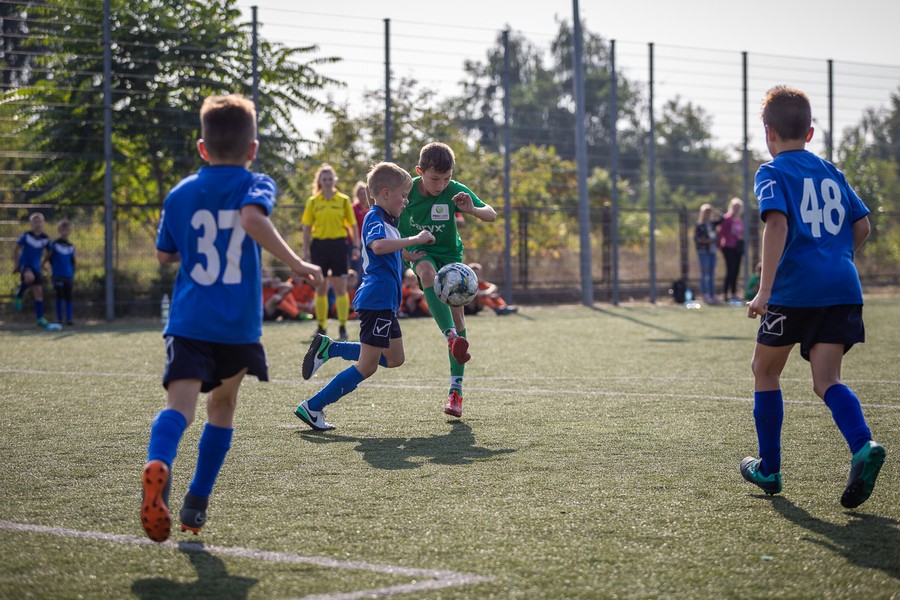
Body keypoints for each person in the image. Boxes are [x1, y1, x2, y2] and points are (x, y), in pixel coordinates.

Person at [141, 94, 323, 544]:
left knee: (179, 409)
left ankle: (159, 461)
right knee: (221, 406)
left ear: (203, 148)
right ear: (252, 148)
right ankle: (196, 503)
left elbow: (164, 255)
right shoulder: (254, 183)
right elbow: (252, 221)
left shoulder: (180, 192)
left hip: (188, 319)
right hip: (236, 325)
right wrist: (298, 263)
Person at [740, 85, 884, 509]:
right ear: (810, 132)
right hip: (842, 288)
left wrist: (763, 290)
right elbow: (862, 227)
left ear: (768, 132)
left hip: (794, 291)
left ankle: (769, 467)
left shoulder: (771, 172)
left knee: (764, 370)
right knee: (827, 381)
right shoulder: (831, 172)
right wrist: (833, 259)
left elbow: (778, 225)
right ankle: (863, 446)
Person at [294, 162, 434, 430]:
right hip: (377, 300)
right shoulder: (375, 217)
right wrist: (413, 239)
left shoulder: (388, 222)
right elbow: (378, 247)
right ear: (384, 193)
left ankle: (331, 348)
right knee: (367, 366)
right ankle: (313, 406)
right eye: (403, 195)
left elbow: (385, 248)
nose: (406, 201)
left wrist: (406, 255)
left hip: (386, 303)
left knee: (395, 358)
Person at [397, 142, 497, 418]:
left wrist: (472, 209)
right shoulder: (405, 189)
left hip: (452, 258)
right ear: (420, 171)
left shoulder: (454, 190)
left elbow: (491, 213)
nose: (441, 185)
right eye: (434, 179)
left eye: (446, 178)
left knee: (460, 318)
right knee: (427, 272)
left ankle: (456, 392)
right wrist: (402, 249)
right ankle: (450, 336)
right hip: (420, 252)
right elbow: (385, 219)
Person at [301, 164, 359, 341]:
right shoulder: (313, 201)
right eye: (323, 179)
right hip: (319, 246)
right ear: (319, 181)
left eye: (329, 179)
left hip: (338, 246)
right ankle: (321, 326)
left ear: (334, 180)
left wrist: (356, 246)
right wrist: (305, 251)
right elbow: (307, 227)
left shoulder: (343, 200)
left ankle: (342, 327)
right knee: (320, 288)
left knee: (341, 288)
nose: (327, 182)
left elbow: (353, 225)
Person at [12, 212, 51, 327]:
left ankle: (40, 319)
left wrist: (43, 263)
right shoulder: (26, 235)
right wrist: (16, 264)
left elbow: (50, 251)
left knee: (39, 293)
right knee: (29, 277)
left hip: (36, 267)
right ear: (30, 223)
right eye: (35, 221)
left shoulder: (45, 238)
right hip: (25, 264)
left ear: (43, 223)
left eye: (39, 221)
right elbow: (16, 249)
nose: (37, 223)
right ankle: (19, 295)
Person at [45, 219, 77, 325]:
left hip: (69, 275)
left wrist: (73, 275)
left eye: (67, 229)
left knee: (68, 297)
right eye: (63, 229)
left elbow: (73, 262)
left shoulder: (71, 246)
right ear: (59, 230)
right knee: (59, 295)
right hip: (58, 275)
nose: (65, 232)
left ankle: (69, 319)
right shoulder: (53, 244)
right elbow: (48, 257)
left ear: (69, 231)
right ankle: (59, 318)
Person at [694, 204, 722, 305]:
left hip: (712, 251)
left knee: (711, 274)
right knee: (704, 273)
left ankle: (712, 294)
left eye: (709, 212)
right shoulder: (699, 225)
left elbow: (722, 218)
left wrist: (714, 210)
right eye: (706, 212)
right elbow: (698, 239)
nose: (708, 214)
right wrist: (709, 241)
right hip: (703, 251)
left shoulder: (712, 224)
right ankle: (705, 294)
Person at [718, 197, 745, 305]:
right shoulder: (727, 218)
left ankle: (733, 293)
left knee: (736, 271)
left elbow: (739, 233)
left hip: (737, 248)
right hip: (728, 247)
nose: (737, 209)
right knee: (730, 270)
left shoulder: (739, 220)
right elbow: (721, 232)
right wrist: (719, 245)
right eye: (735, 207)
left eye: (738, 207)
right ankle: (725, 294)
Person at [349, 181, 370, 284]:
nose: (363, 196)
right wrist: (355, 244)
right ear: (357, 195)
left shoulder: (368, 209)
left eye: (365, 193)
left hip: (366, 243)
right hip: (355, 244)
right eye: (361, 193)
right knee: (356, 270)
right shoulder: (354, 208)